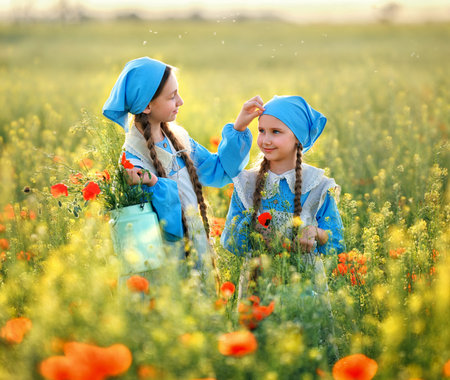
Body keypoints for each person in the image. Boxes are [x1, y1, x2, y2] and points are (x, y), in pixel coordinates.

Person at [102, 57, 264, 265]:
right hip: (166, 267)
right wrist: (153, 183)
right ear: (148, 106)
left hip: (196, 251)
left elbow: (219, 171)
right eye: (172, 97)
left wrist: (239, 127)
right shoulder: (133, 161)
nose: (180, 101)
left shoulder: (179, 140)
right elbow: (164, 227)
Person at [221, 95, 345, 293]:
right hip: (259, 286)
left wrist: (316, 233)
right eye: (261, 131)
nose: (265, 140)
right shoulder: (247, 183)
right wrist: (254, 228)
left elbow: (336, 241)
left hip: (305, 287)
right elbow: (230, 240)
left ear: (298, 138)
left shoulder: (317, 185)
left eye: (275, 132)